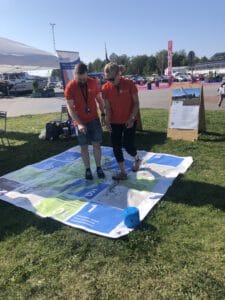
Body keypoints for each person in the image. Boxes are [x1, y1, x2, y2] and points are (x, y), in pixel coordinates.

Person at [65, 62, 105, 180]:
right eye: (79, 79)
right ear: (75, 75)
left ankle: (98, 167)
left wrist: (103, 114)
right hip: (79, 121)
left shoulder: (92, 82)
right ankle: (88, 169)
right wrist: (80, 124)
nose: (82, 81)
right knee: (84, 147)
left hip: (93, 119)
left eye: (84, 78)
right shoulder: (70, 87)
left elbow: (99, 99)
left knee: (96, 145)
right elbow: (70, 109)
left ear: (87, 74)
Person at [102, 62, 141, 180]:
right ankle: (123, 172)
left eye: (112, 79)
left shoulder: (129, 84)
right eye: (108, 79)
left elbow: (136, 103)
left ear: (119, 74)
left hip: (129, 120)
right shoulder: (105, 88)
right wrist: (107, 120)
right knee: (116, 146)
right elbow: (108, 108)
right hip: (114, 122)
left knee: (128, 146)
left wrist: (132, 118)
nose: (110, 81)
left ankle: (137, 159)